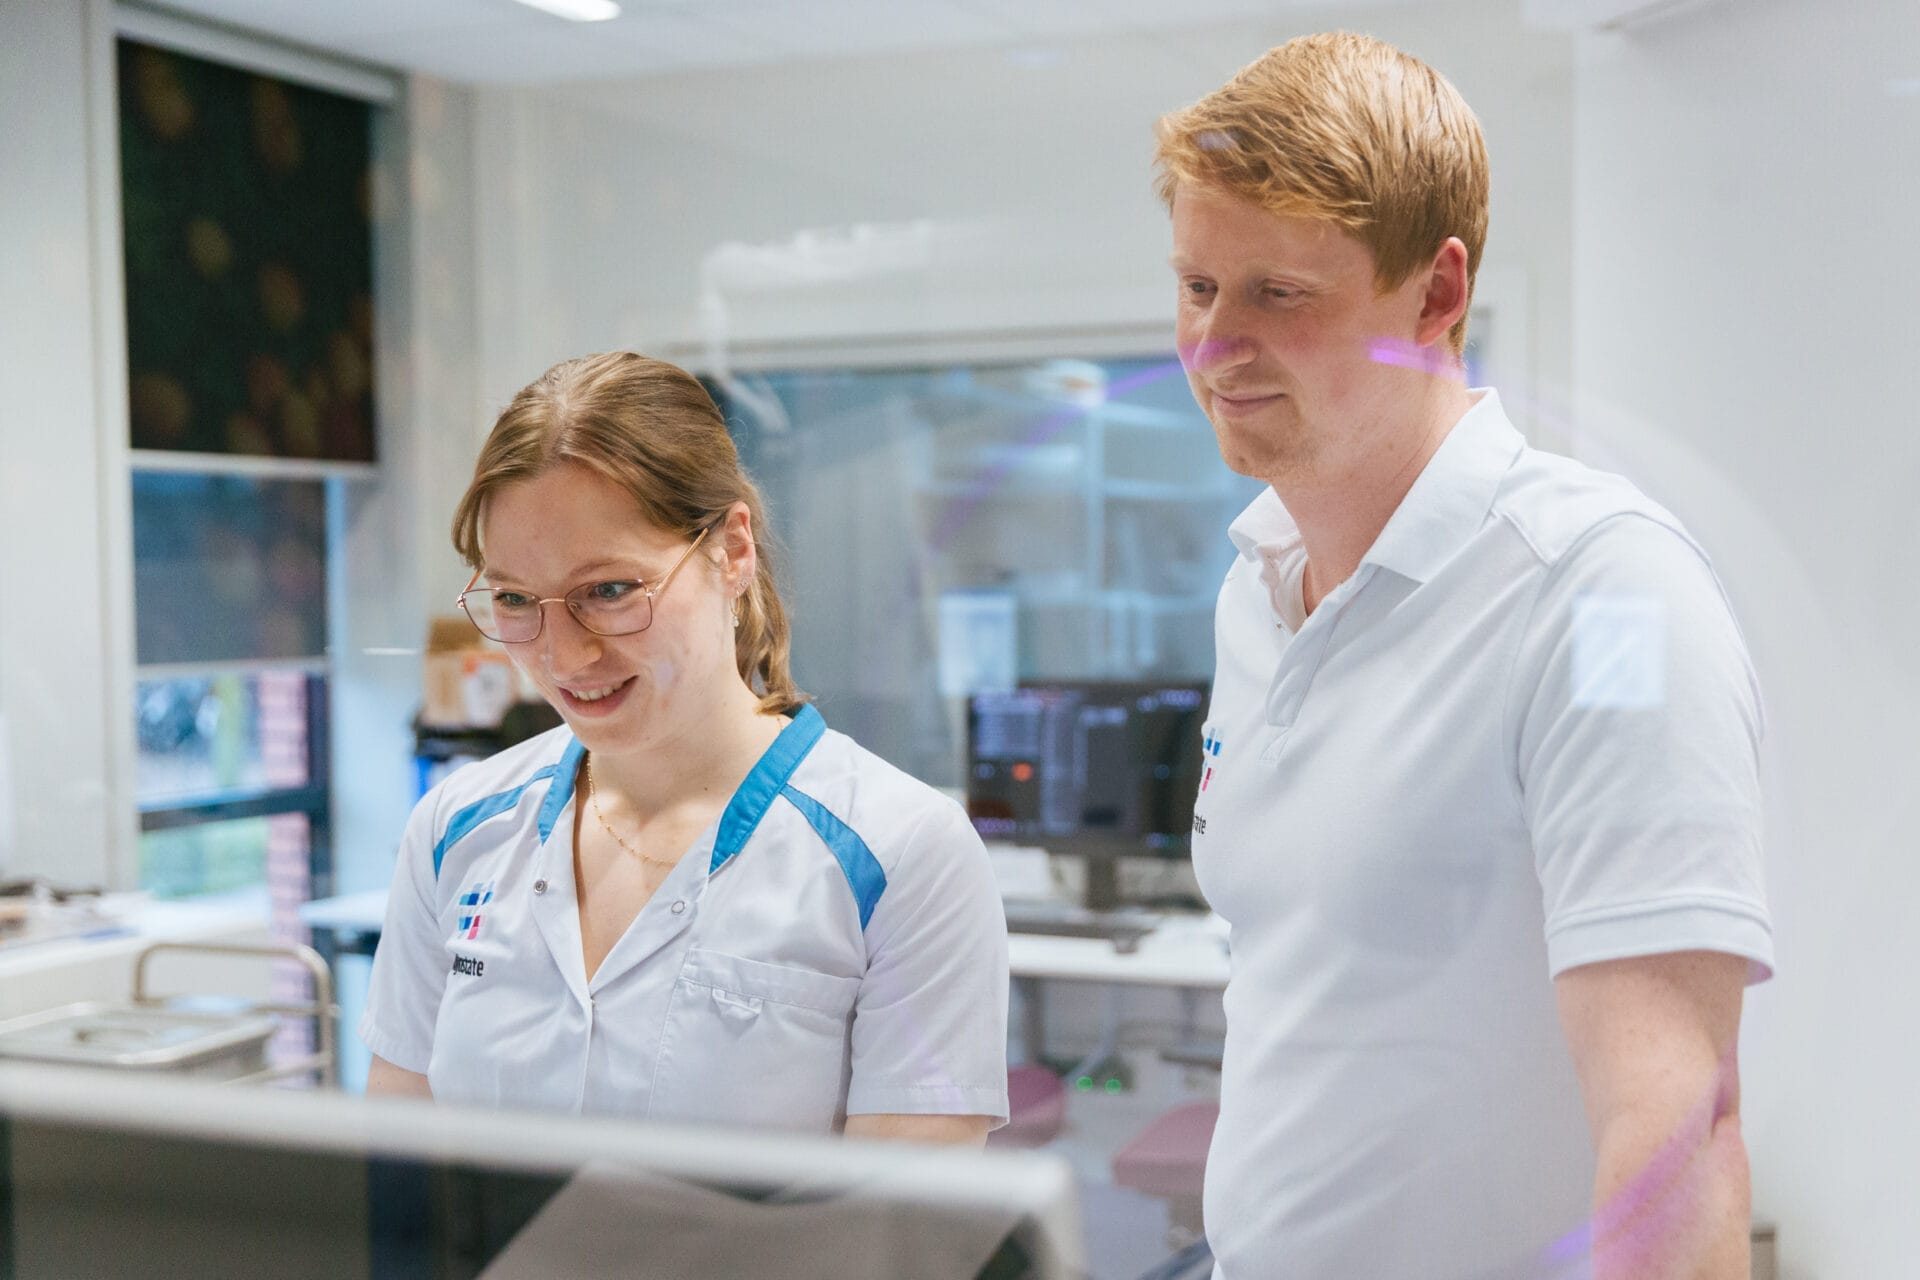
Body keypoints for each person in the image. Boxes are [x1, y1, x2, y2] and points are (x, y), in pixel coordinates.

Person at [1156, 32, 1772, 1279]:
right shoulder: (1257, 586)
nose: (1215, 344)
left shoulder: (1601, 595)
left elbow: (1677, 1137)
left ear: (1436, 295)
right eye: (1199, 286)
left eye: (1278, 293)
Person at [360, 351, 1009, 1144]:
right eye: (516, 599)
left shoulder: (904, 853)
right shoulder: (456, 829)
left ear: (732, 551)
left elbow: (907, 1213)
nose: (563, 655)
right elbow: (398, 1157)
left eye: (609, 590)